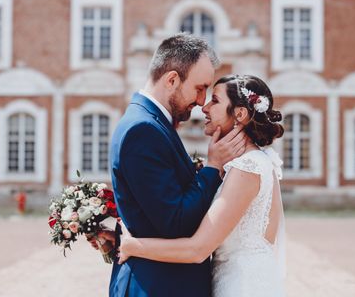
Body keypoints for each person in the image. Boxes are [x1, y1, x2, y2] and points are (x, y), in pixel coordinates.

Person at [118, 74, 286, 297]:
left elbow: (197, 249)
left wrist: (131, 245)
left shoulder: (248, 168)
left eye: (215, 100)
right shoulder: (245, 164)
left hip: (244, 286)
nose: (204, 107)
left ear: (240, 114)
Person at [107, 34, 248, 297]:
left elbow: (151, 207)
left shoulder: (149, 122)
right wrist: (213, 166)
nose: (201, 101)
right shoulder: (143, 129)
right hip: (160, 285)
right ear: (171, 80)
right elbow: (176, 223)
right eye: (199, 88)